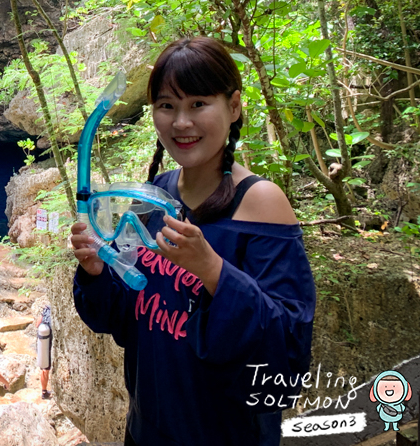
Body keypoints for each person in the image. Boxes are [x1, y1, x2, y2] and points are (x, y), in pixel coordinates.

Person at [70, 37, 316, 446]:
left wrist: (213, 270)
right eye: (167, 106)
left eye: (198, 103)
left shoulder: (261, 203)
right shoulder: (154, 197)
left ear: (233, 106)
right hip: (147, 431)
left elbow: (288, 357)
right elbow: (122, 318)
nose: (180, 122)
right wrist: (96, 271)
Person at [34, 304, 53, 399]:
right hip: (49, 343)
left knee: (44, 368)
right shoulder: (53, 312)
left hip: (42, 342)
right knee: (46, 368)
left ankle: (44, 391)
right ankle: (45, 391)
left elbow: (37, 325)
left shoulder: (45, 310)